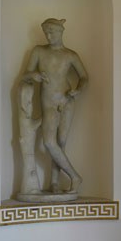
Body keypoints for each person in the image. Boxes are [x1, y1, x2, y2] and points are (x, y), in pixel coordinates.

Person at [22, 18, 88, 194]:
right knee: (49, 143)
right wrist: (34, 75)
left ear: (61, 32)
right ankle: (75, 177)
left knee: (61, 143)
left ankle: (55, 183)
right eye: (46, 33)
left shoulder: (70, 55)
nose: (49, 37)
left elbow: (84, 77)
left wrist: (78, 89)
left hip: (67, 100)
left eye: (52, 33)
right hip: (49, 102)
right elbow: (25, 75)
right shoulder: (38, 51)